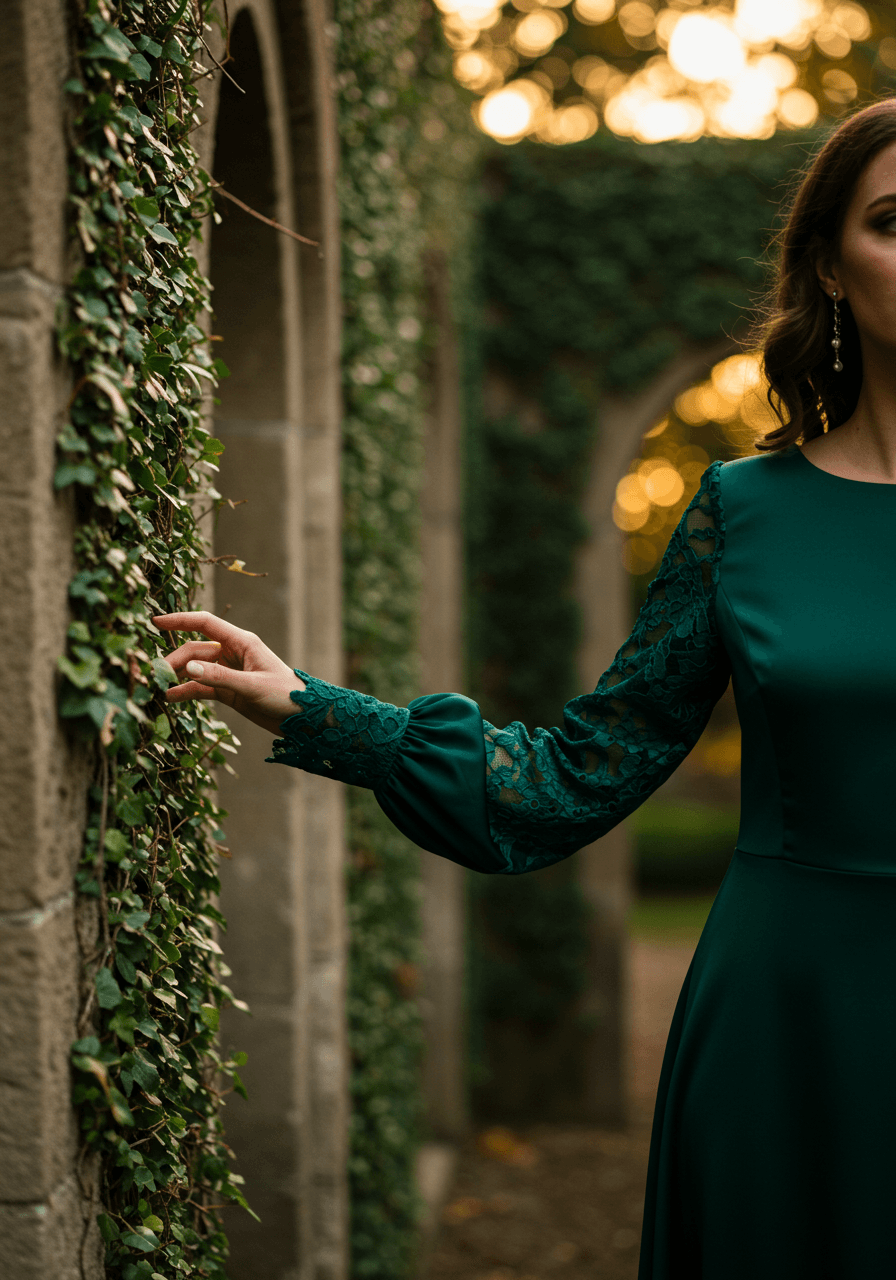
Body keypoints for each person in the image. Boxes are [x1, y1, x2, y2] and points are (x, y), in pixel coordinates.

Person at [155, 98, 896, 1278]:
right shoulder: (742, 515)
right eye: (892, 220)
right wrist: (312, 708)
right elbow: (577, 772)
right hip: (784, 1026)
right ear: (827, 264)